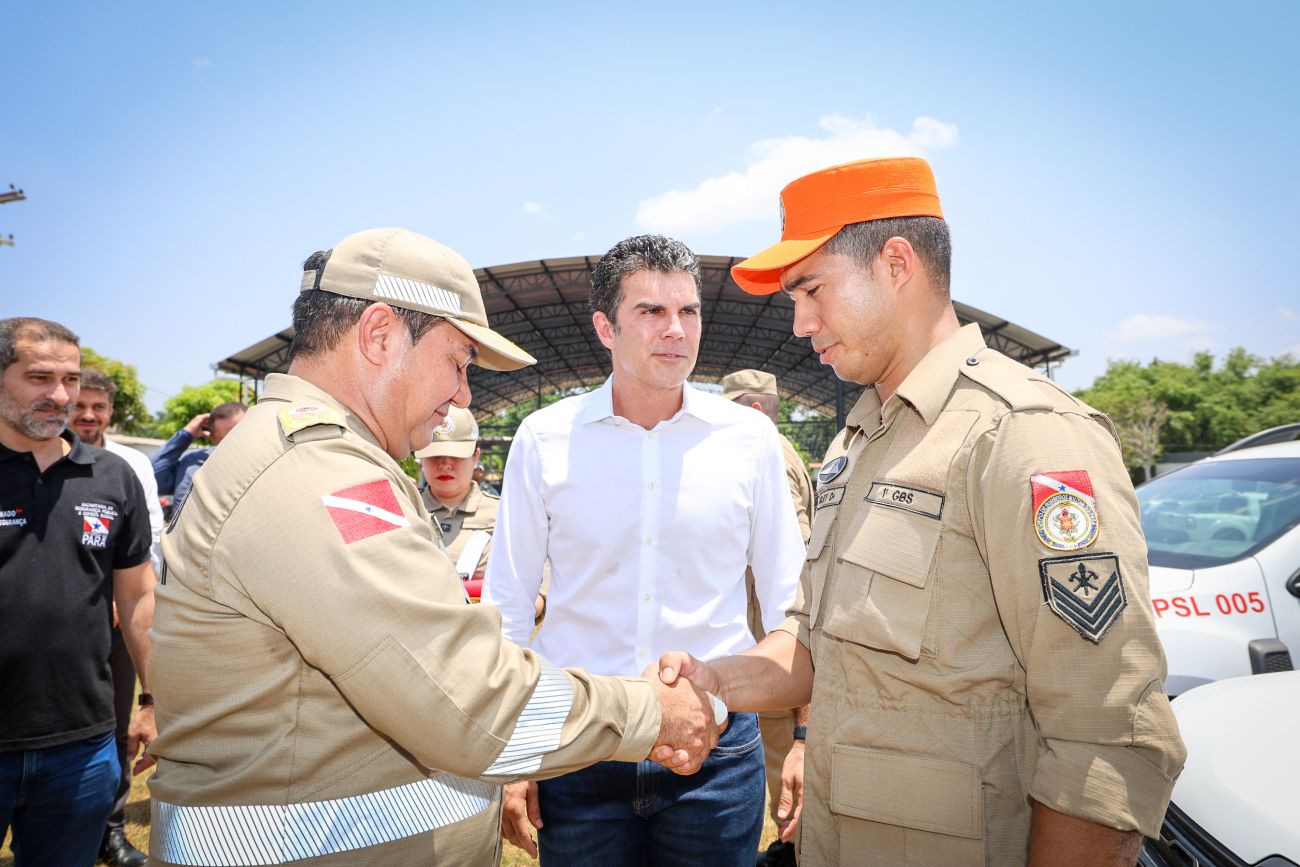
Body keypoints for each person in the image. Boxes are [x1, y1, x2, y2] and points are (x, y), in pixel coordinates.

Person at [654, 157, 1187, 867]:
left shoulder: (1021, 434)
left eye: (811, 289)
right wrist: (720, 679)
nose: (800, 322)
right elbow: (814, 640)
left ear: (896, 263)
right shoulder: (857, 442)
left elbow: (1106, 733)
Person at [145, 227, 723, 867]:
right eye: (458, 362)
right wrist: (651, 712)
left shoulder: (310, 457)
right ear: (379, 334)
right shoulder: (321, 476)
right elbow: (469, 700)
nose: (463, 395)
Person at [483, 235, 806, 866]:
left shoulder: (749, 440)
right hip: (579, 749)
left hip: (717, 755)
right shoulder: (544, 439)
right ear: (606, 327)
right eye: (651, 311)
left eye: (688, 311)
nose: (675, 330)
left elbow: (791, 606)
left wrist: (803, 735)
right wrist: (513, 754)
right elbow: (509, 607)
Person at [0, 317, 157, 867]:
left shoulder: (113, 476)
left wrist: (154, 700)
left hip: (82, 748)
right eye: (39, 377)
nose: (61, 396)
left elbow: (138, 598)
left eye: (69, 378)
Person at [719, 368, 812, 867]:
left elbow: (795, 557)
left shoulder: (768, 453)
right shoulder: (777, 451)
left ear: (755, 411)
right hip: (772, 638)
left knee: (785, 764)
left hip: (775, 641)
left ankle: (794, 851)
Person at [71, 368, 164, 867]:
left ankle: (110, 830)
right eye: (79, 405)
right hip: (53, 625)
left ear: (111, 411)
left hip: (116, 621)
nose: (88, 416)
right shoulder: (33, 459)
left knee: (114, 727)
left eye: (98, 407)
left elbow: (150, 539)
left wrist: (122, 597)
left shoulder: (130, 464)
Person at [416, 404, 498, 600]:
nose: (445, 464)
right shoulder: (405, 510)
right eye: (434, 455)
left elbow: (531, 591)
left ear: (476, 456)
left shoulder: (504, 514)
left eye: (456, 455)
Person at [150, 400, 246, 510]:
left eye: (244, 430)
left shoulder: (263, 465)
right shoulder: (193, 462)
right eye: (229, 434)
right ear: (214, 438)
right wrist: (186, 434)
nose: (240, 438)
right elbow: (155, 480)